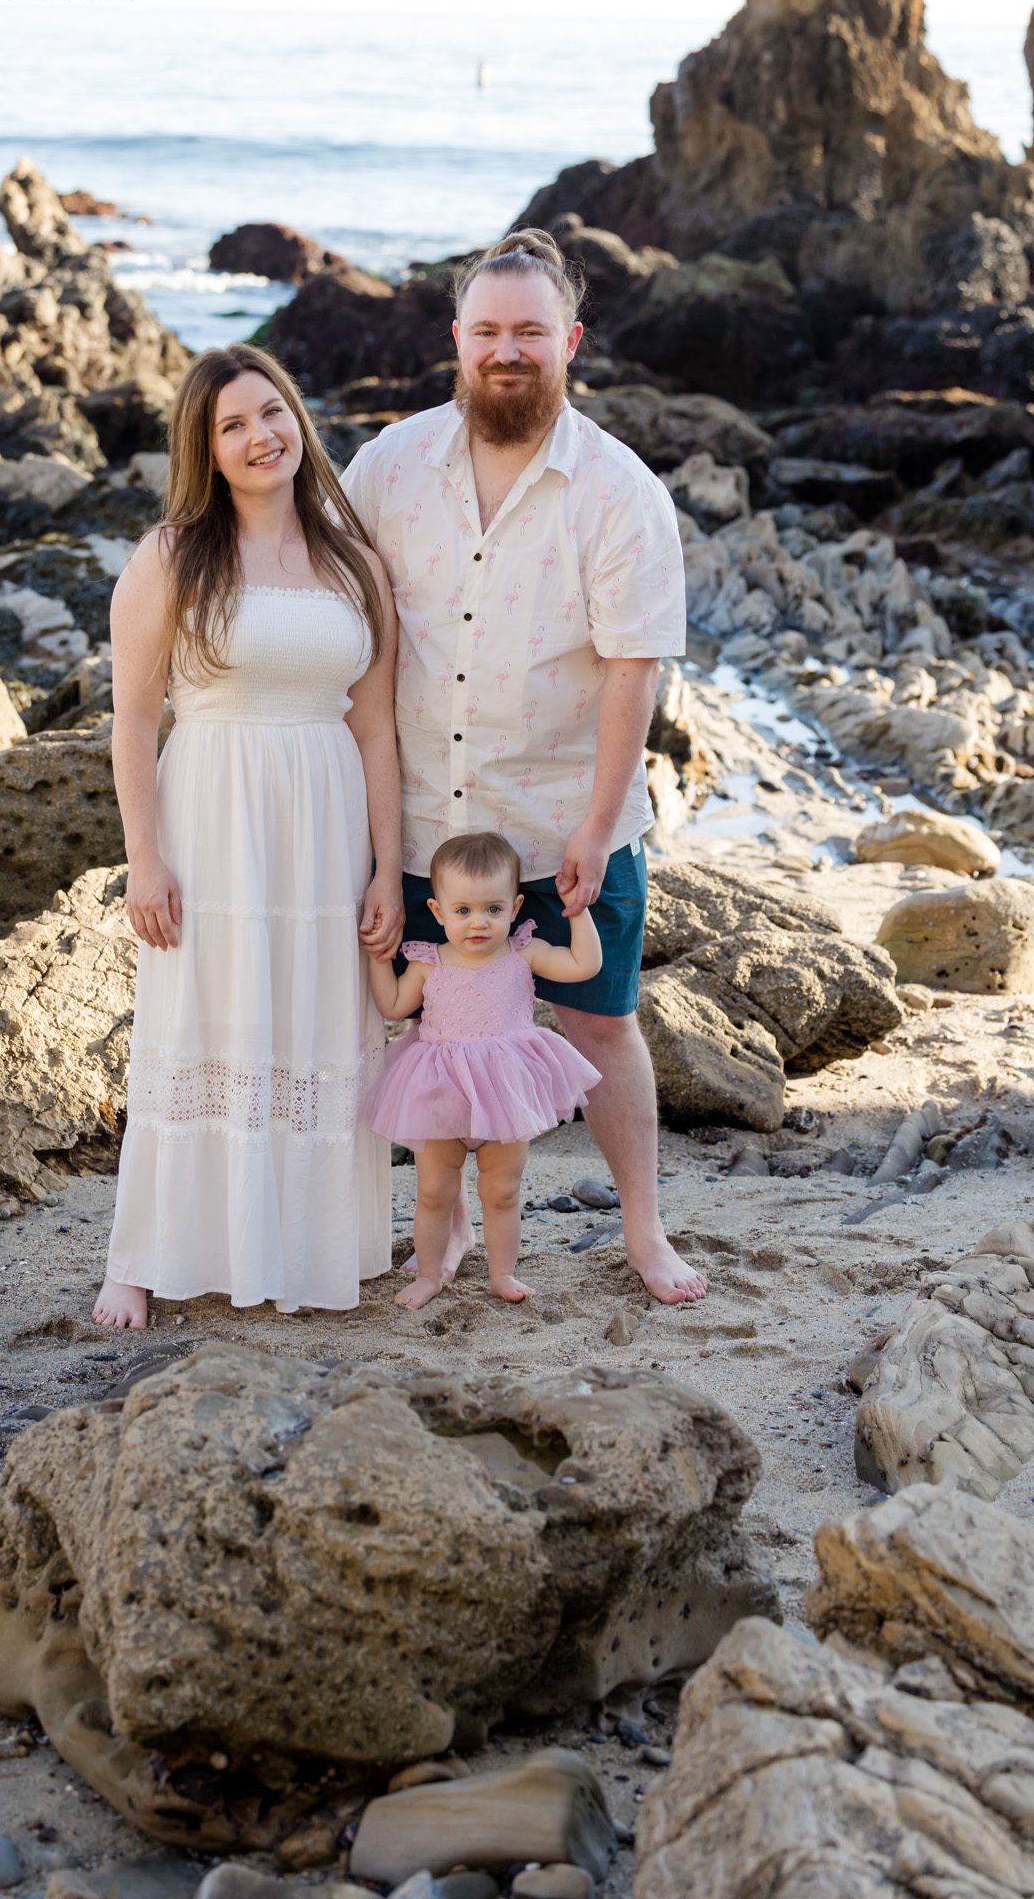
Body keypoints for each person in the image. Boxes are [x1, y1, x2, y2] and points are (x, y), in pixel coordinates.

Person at [342, 227, 708, 1306]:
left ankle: (643, 1231)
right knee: (421, 1029)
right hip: (419, 825)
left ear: (571, 341)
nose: (509, 349)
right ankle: (437, 1233)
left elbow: (632, 670)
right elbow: (340, 622)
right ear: (457, 339)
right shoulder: (388, 467)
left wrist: (596, 827)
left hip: (561, 819)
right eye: (489, 329)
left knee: (602, 1021)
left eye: (531, 332)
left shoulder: (618, 489)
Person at [93, 344, 401, 1327]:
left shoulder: (354, 558)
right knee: (196, 1021)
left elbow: (376, 726)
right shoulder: (173, 555)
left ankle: (310, 1247)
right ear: (207, 448)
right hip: (211, 812)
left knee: (313, 1023)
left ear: (299, 419)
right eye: (233, 424)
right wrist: (145, 857)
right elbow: (135, 718)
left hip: (324, 813)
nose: (261, 435)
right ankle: (139, 1259)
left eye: (272, 412)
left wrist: (387, 867)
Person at [364, 830, 601, 1308]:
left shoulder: (522, 953)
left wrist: (579, 912)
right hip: (441, 1089)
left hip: (505, 1091)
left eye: (493, 910)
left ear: (514, 909)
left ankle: (503, 1273)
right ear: (438, 912)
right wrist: (376, 958)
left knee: (502, 1190)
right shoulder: (429, 962)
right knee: (434, 1191)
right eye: (463, 910)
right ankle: (430, 1274)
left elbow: (583, 965)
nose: (479, 923)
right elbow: (391, 1006)